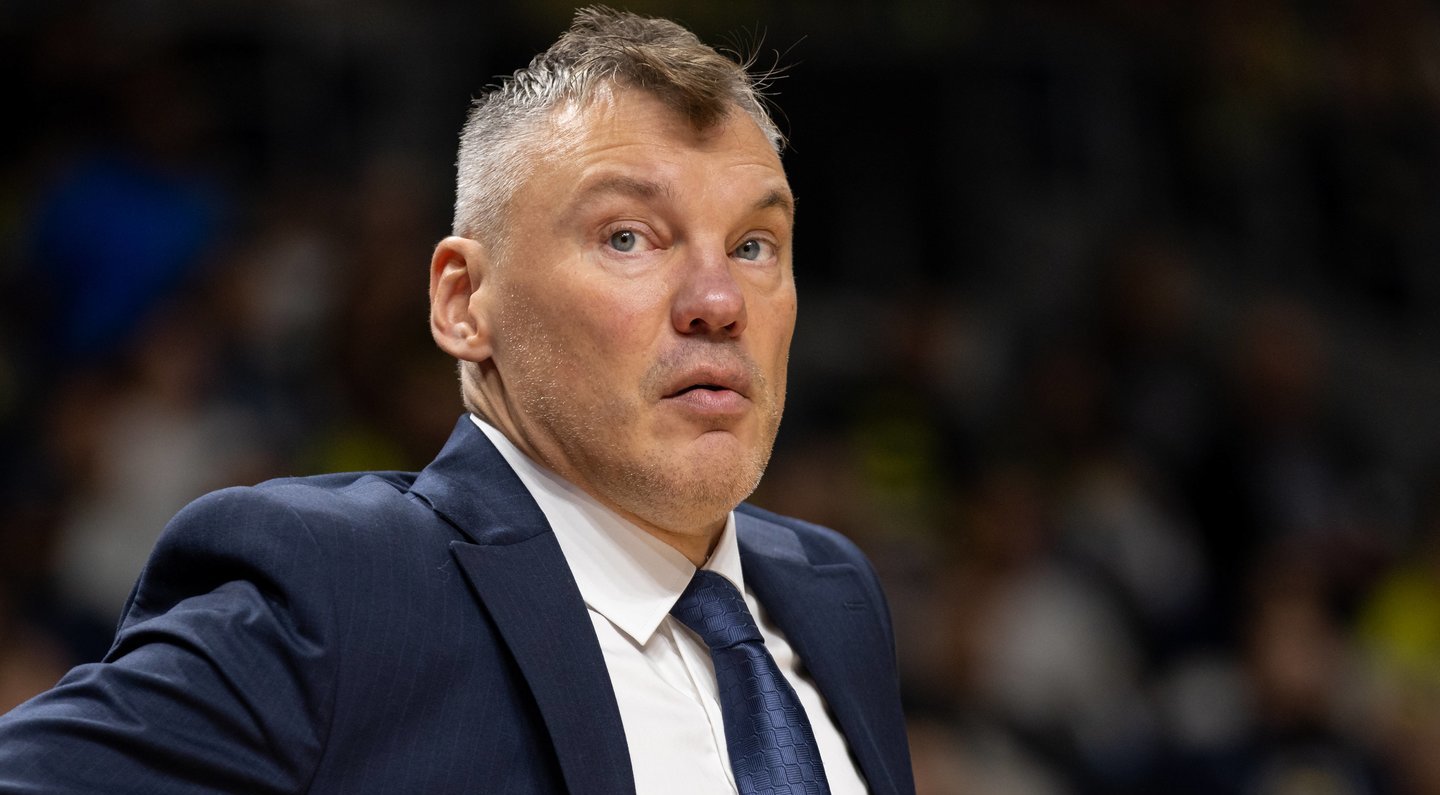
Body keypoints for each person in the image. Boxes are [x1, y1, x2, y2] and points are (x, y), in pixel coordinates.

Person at [0, 7, 914, 794]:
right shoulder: (341, 590)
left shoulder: (831, 590)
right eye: (629, 236)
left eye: (754, 245)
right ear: (464, 302)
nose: (718, 300)